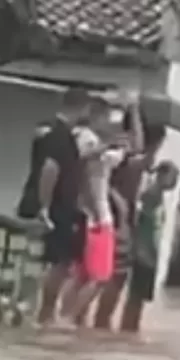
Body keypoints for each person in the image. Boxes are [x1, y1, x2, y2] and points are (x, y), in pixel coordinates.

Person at [16, 87, 91, 325]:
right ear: (83, 108)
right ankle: (44, 314)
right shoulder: (60, 136)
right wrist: (45, 207)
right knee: (58, 263)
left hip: (53, 205)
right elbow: (50, 169)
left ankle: (34, 311)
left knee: (47, 261)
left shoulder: (53, 132)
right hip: (55, 208)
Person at [91, 117, 168, 330]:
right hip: (121, 224)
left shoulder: (132, 164)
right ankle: (100, 321)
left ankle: (101, 322)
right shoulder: (129, 161)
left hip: (123, 223)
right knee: (113, 278)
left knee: (116, 279)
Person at [59, 96, 129, 326]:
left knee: (81, 275)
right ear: (96, 116)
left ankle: (63, 316)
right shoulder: (91, 144)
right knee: (98, 277)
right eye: (107, 118)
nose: (110, 124)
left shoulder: (83, 141)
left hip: (83, 215)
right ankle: (68, 318)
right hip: (99, 219)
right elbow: (132, 146)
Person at [119, 160, 180, 333]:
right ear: (161, 175)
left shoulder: (156, 195)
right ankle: (128, 329)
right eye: (173, 177)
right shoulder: (151, 195)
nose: (175, 182)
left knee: (139, 298)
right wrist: (139, 248)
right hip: (144, 251)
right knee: (136, 297)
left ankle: (130, 330)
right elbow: (141, 222)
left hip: (149, 252)